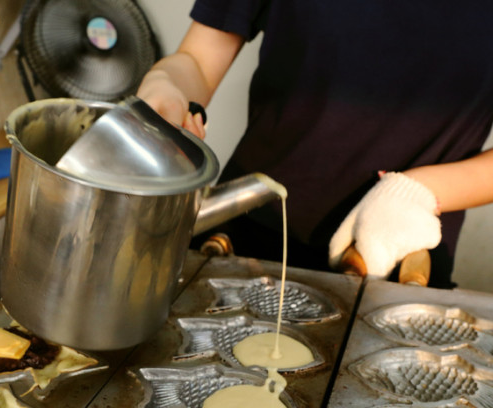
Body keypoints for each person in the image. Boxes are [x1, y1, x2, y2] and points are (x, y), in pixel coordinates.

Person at [136, 1, 493, 288]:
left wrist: (417, 191)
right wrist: (165, 83)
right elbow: (198, 61)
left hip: (401, 263)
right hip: (239, 240)